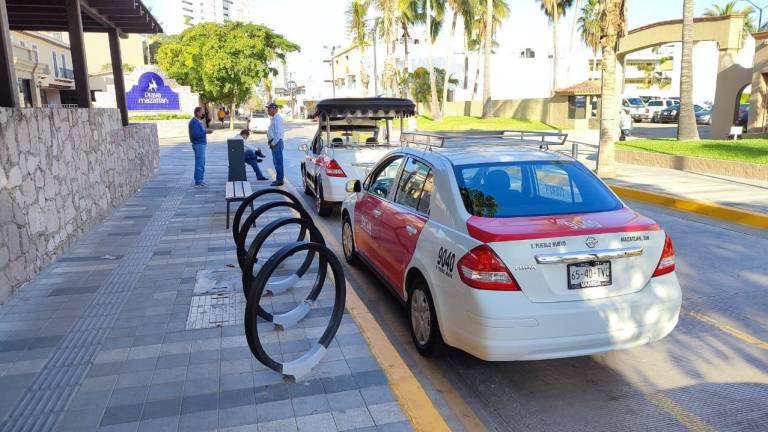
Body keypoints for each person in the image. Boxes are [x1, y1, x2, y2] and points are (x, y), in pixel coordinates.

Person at [189, 107, 213, 187]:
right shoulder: (194, 122)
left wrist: (205, 131)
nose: (203, 114)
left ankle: (200, 180)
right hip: (198, 144)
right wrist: (206, 132)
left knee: (202, 163)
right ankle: (198, 181)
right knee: (199, 163)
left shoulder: (198, 121)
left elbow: (199, 132)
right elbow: (195, 135)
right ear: (198, 113)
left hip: (201, 144)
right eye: (202, 112)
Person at [266, 102, 285, 186]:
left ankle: (279, 180)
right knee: (276, 162)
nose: (268, 111)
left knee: (278, 162)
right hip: (275, 143)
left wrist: (273, 143)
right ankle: (278, 179)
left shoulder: (277, 118)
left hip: (276, 143)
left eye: (269, 109)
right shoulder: (274, 118)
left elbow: (278, 134)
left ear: (274, 109)